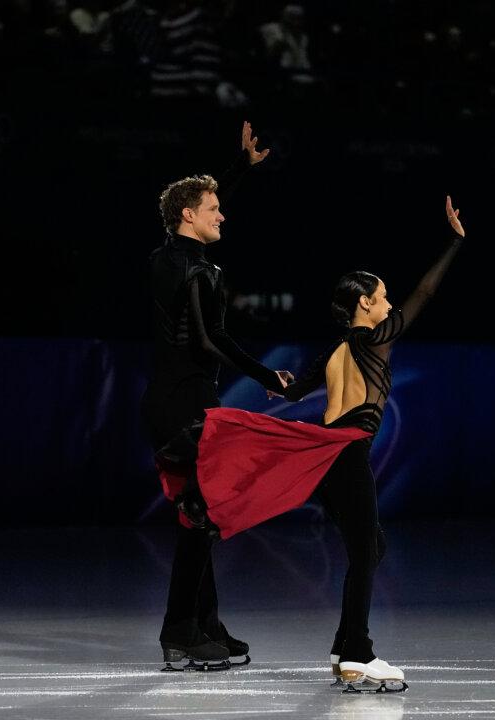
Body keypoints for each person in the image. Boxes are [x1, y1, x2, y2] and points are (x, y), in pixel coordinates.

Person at [158, 196, 466, 690]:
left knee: (372, 547)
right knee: (366, 552)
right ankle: (356, 655)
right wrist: (454, 242)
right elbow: (426, 293)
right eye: (383, 298)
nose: (390, 306)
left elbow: (291, 388)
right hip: (347, 453)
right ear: (365, 305)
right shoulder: (374, 340)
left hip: (326, 457)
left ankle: (346, 644)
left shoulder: (335, 350)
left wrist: (275, 381)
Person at [142, 121, 292, 671]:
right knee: (200, 517)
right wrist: (263, 375)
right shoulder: (198, 270)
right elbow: (210, 339)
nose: (221, 214)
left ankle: (205, 622)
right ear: (189, 217)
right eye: (212, 210)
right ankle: (180, 629)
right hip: (182, 405)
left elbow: (195, 208)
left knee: (203, 515)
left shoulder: (167, 258)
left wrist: (237, 171)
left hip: (177, 400)